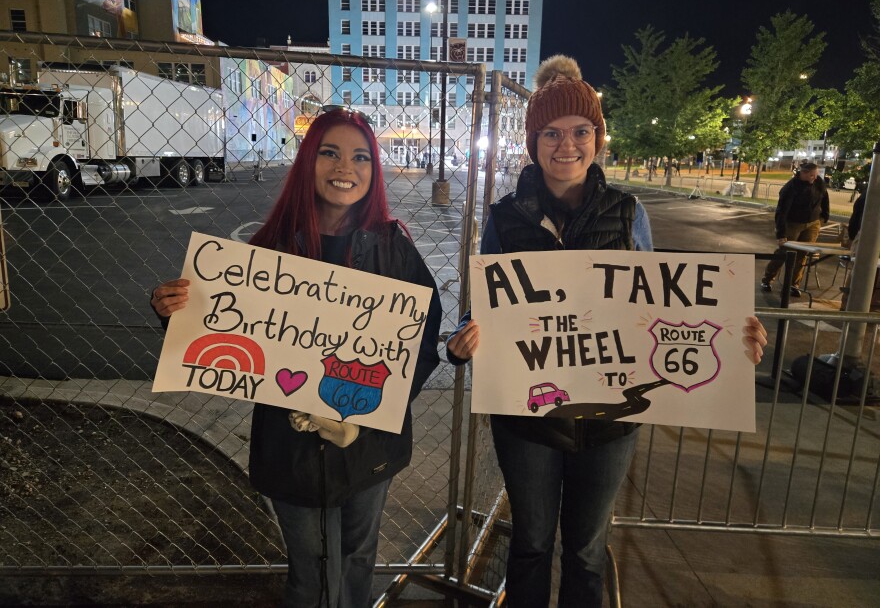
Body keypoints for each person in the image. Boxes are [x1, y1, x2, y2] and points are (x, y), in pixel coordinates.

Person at [445, 55, 768, 608]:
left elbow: (661, 304)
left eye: (580, 131)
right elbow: (482, 308)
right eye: (551, 133)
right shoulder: (504, 219)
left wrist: (728, 332)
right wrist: (463, 340)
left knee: (587, 549)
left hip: (611, 421)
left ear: (598, 137)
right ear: (533, 141)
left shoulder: (629, 211)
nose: (566, 144)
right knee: (529, 543)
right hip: (528, 418)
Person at [150, 107, 441, 607]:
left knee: (357, 559)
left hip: (369, 444)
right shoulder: (268, 251)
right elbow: (223, 330)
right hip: (291, 448)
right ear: (307, 161)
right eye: (328, 153)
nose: (344, 167)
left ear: (374, 171)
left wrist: (370, 409)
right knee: (308, 572)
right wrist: (175, 311)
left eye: (360, 156)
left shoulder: (395, 249)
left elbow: (423, 342)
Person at [759, 162, 830, 297]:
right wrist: (781, 233)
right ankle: (767, 279)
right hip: (793, 223)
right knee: (783, 252)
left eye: (816, 175)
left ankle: (794, 284)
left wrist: (824, 216)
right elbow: (781, 211)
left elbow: (824, 197)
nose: (814, 178)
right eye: (811, 175)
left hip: (812, 223)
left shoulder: (818, 181)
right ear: (803, 173)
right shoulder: (791, 188)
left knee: (802, 254)